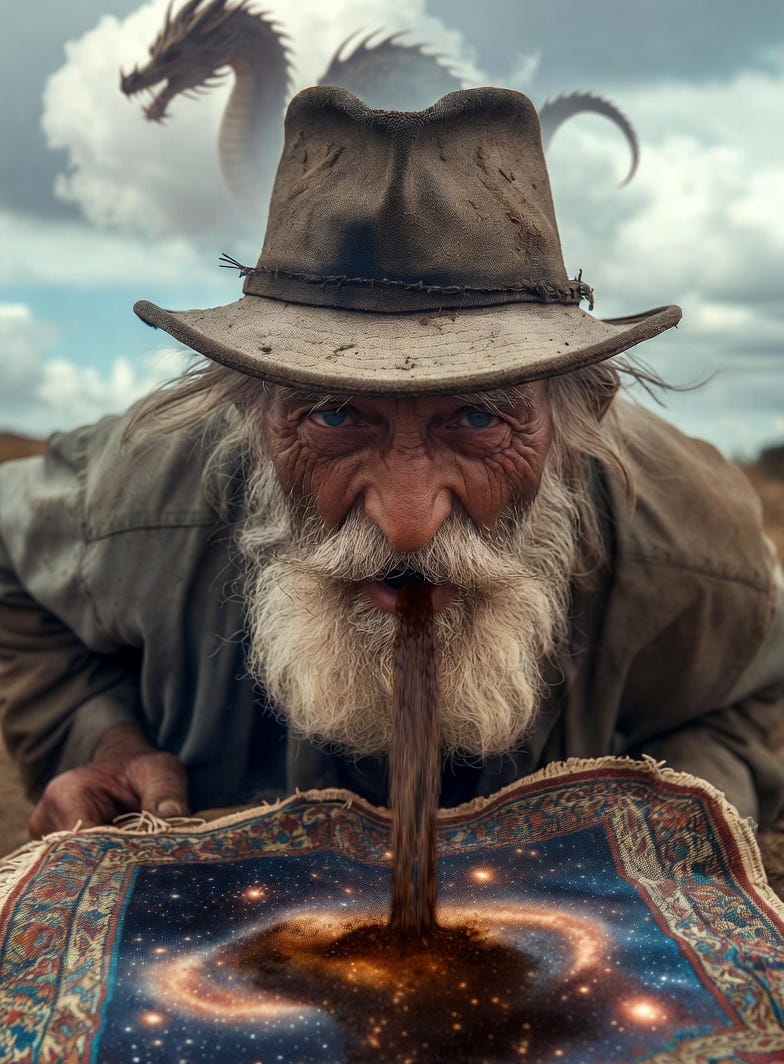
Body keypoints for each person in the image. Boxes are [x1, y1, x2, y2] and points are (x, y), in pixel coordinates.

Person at [1, 86, 782, 841]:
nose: (408, 523)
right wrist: (98, 740)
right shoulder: (144, 498)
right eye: (335, 415)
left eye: (480, 417)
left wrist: (665, 814)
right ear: (248, 414)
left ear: (578, 417)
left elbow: (756, 697)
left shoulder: (691, 551)